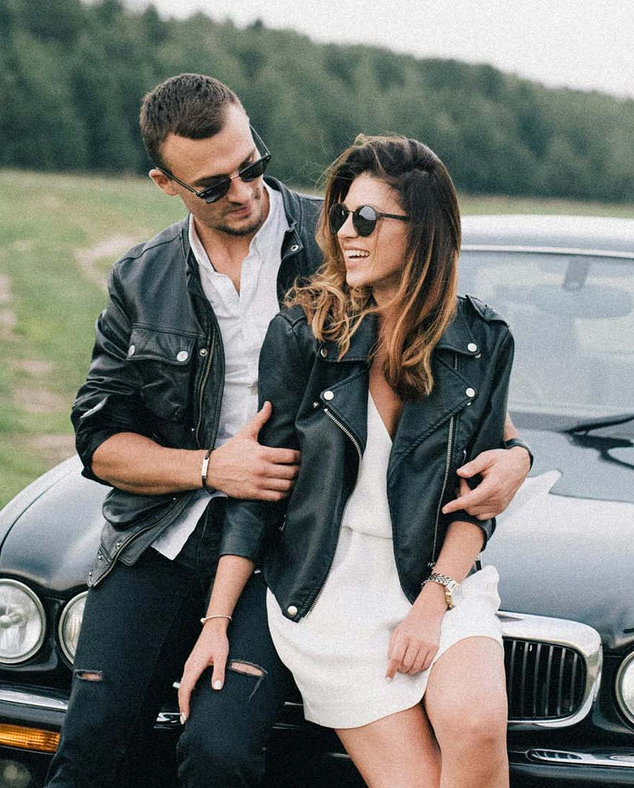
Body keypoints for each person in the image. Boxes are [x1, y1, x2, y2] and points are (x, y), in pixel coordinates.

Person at [50, 74, 532, 787]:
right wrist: (213, 468)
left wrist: (517, 458)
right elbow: (99, 442)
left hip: (289, 543)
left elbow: (461, 410)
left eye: (253, 165)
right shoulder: (142, 279)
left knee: (220, 750)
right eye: (214, 186)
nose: (244, 192)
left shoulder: (339, 239)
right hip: (166, 530)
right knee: (91, 746)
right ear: (166, 183)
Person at [180, 135, 520, 788]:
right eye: (340, 216)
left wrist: (435, 598)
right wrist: (217, 622)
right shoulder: (304, 336)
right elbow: (260, 491)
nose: (345, 234)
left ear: (422, 230)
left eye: (365, 218)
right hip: (332, 593)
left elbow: (480, 499)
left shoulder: (483, 342)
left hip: (438, 577)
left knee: (477, 725)